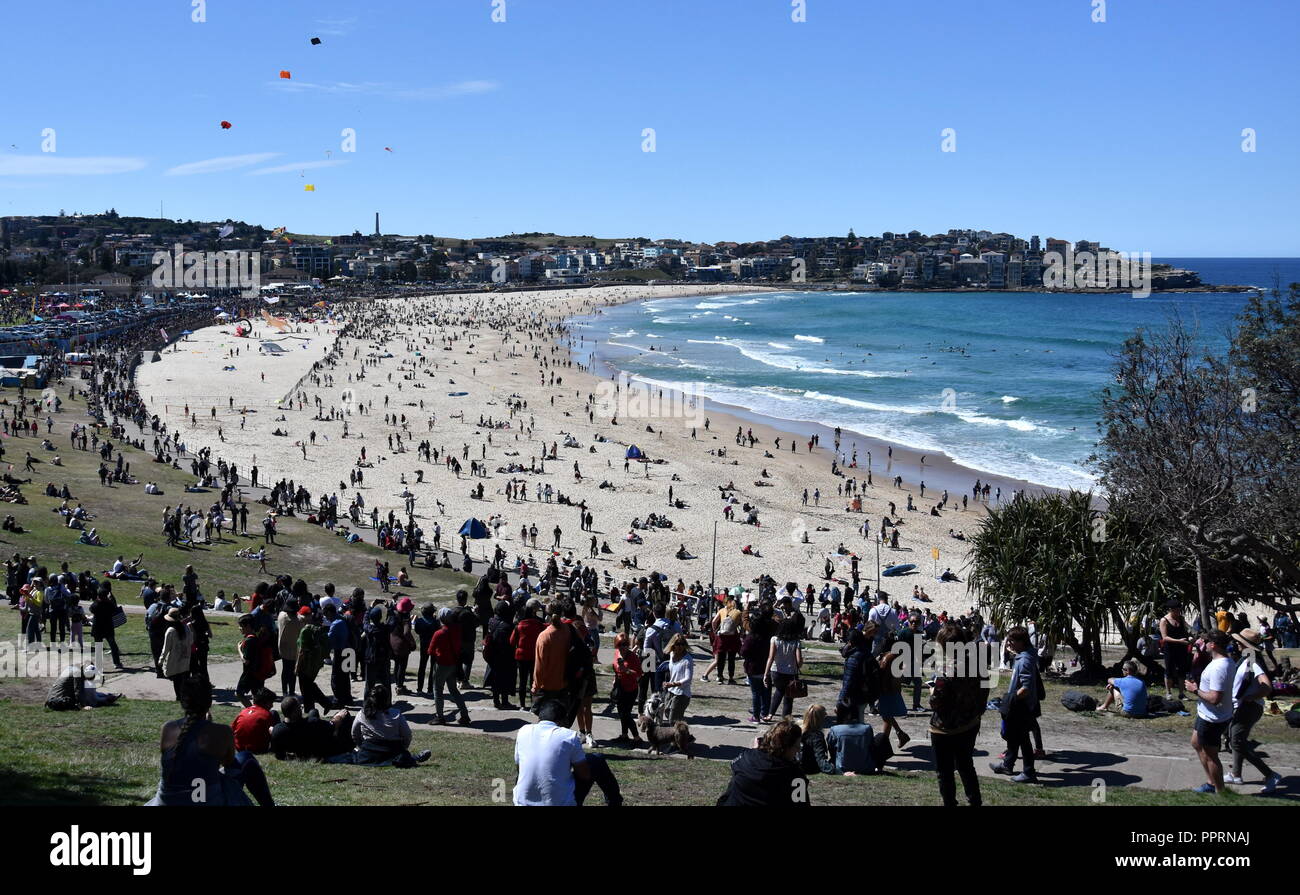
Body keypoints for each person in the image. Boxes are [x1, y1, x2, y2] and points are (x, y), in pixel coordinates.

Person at [146, 677, 253, 806]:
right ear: (209, 702)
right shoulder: (223, 731)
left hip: (167, 801)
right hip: (205, 800)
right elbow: (229, 763)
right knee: (245, 757)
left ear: (182, 702)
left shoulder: (167, 728)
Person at [513, 698, 622, 806]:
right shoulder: (568, 736)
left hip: (523, 803)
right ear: (563, 720)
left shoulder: (523, 731)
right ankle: (615, 802)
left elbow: (519, 769)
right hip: (560, 803)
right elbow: (584, 775)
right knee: (596, 760)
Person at [928, 622, 987, 806]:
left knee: (945, 771)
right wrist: (978, 709)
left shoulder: (946, 670)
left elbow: (936, 703)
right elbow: (984, 688)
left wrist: (931, 692)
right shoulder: (976, 662)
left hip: (945, 727)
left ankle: (950, 802)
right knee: (966, 766)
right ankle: (974, 801)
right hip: (969, 722)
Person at [1225, 630, 1282, 793]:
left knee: (1236, 741)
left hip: (1249, 708)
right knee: (1236, 739)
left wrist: (1251, 697)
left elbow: (1266, 685)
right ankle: (1236, 774)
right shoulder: (1248, 659)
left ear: (1246, 644)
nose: (1236, 643)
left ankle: (1270, 774)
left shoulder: (1253, 662)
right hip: (1243, 706)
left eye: (1239, 642)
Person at [329, 684, 431, 767]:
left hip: (369, 752)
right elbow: (407, 735)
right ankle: (413, 758)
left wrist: (362, 746)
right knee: (401, 758)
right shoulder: (396, 714)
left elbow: (354, 734)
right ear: (387, 699)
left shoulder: (363, 714)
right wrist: (403, 748)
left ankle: (411, 758)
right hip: (392, 750)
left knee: (349, 757)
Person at [717, 718, 810, 807]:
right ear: (785, 747)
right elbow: (801, 803)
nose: (798, 750)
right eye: (797, 746)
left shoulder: (746, 757)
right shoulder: (795, 775)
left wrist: (755, 752)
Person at [990, 626, 1040, 783]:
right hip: (1020, 704)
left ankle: (1029, 772)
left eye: (1011, 640)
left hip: (1021, 706)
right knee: (1013, 736)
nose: (1008, 643)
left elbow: (1025, 687)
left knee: (1023, 740)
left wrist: (1010, 699)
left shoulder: (1024, 660)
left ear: (1021, 642)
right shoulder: (1024, 655)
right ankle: (1007, 765)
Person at [1187, 630, 1233, 794]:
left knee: (1211, 755)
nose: (1203, 644)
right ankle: (1212, 782)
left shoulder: (1218, 668)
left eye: (1206, 641)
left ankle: (1219, 791)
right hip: (1206, 713)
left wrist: (1195, 690)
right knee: (1196, 742)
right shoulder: (1223, 661)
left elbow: (1215, 698)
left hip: (1212, 718)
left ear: (1213, 645)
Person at [229, 687, 277, 806]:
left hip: (239, 748)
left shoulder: (243, 712)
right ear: (265, 702)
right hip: (258, 748)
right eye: (271, 702)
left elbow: (232, 729)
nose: (271, 705)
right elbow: (274, 733)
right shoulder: (266, 715)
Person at [430, 607, 471, 725]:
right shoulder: (458, 629)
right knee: (454, 690)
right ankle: (464, 715)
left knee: (438, 690)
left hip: (441, 665)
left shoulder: (439, 633)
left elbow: (430, 651)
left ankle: (440, 716)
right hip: (454, 663)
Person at [763, 617, 804, 721]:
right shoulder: (796, 642)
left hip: (776, 670)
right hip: (791, 672)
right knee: (789, 696)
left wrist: (766, 673)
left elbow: (771, 657)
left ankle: (770, 714)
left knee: (779, 691)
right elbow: (799, 661)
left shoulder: (774, 639)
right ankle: (786, 718)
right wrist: (797, 666)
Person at [610, 632, 644, 743]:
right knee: (621, 713)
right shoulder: (616, 653)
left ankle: (637, 737)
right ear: (616, 645)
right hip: (620, 687)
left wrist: (627, 671)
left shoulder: (632, 656)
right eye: (620, 644)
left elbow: (639, 673)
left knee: (626, 714)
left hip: (630, 689)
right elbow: (615, 668)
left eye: (625, 644)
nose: (623, 647)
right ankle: (624, 735)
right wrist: (615, 678)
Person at [826, 701, 876, 775]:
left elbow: (832, 750)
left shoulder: (835, 729)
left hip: (842, 768)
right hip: (866, 768)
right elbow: (871, 747)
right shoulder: (867, 728)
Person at [159, 607, 194, 702]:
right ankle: (185, 697)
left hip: (174, 661)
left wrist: (161, 661)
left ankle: (179, 697)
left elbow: (165, 649)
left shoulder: (170, 631)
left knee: (177, 681)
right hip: (185, 659)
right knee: (184, 680)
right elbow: (191, 641)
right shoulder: (186, 628)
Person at [1159, 601, 1191, 698]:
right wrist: (1179, 641)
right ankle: (1168, 693)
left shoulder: (1181, 619)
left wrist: (1190, 637)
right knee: (1169, 670)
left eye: (1179, 610)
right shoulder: (1164, 620)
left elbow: (1188, 630)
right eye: (1176, 610)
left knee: (1182, 671)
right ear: (1171, 610)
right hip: (1169, 648)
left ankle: (1181, 693)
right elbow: (1164, 637)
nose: (1178, 612)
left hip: (1182, 648)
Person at [798, 703, 837, 775]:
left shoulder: (798, 730)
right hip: (810, 768)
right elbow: (820, 759)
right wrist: (835, 770)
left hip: (797, 766)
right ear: (820, 719)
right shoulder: (816, 736)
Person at [663, 633, 694, 722]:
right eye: (678, 644)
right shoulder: (672, 654)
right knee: (667, 713)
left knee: (673, 721)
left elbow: (688, 678)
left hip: (682, 694)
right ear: (673, 645)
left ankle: (681, 735)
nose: (680, 646)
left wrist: (673, 684)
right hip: (670, 691)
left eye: (682, 644)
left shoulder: (687, 660)